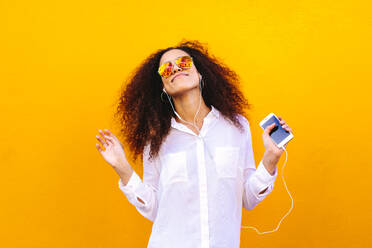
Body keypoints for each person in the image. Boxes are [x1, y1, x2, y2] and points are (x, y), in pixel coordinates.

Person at [95, 40, 292, 248]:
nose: (177, 68)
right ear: (163, 86)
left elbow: (248, 199)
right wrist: (124, 170)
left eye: (184, 62)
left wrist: (270, 159)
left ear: (200, 74)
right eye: (167, 68)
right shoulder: (155, 139)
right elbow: (155, 209)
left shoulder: (236, 127)